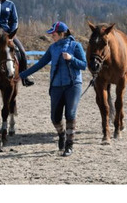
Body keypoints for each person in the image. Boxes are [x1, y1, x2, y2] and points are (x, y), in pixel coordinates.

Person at [14, 21, 86, 157]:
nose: (52, 36)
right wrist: (22, 75)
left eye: (53, 34)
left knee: (70, 114)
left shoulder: (76, 46)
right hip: (56, 86)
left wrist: (71, 59)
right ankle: (62, 134)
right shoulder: (52, 48)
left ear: (62, 34)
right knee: (55, 117)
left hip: (73, 85)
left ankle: (69, 146)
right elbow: (40, 64)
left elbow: (83, 65)